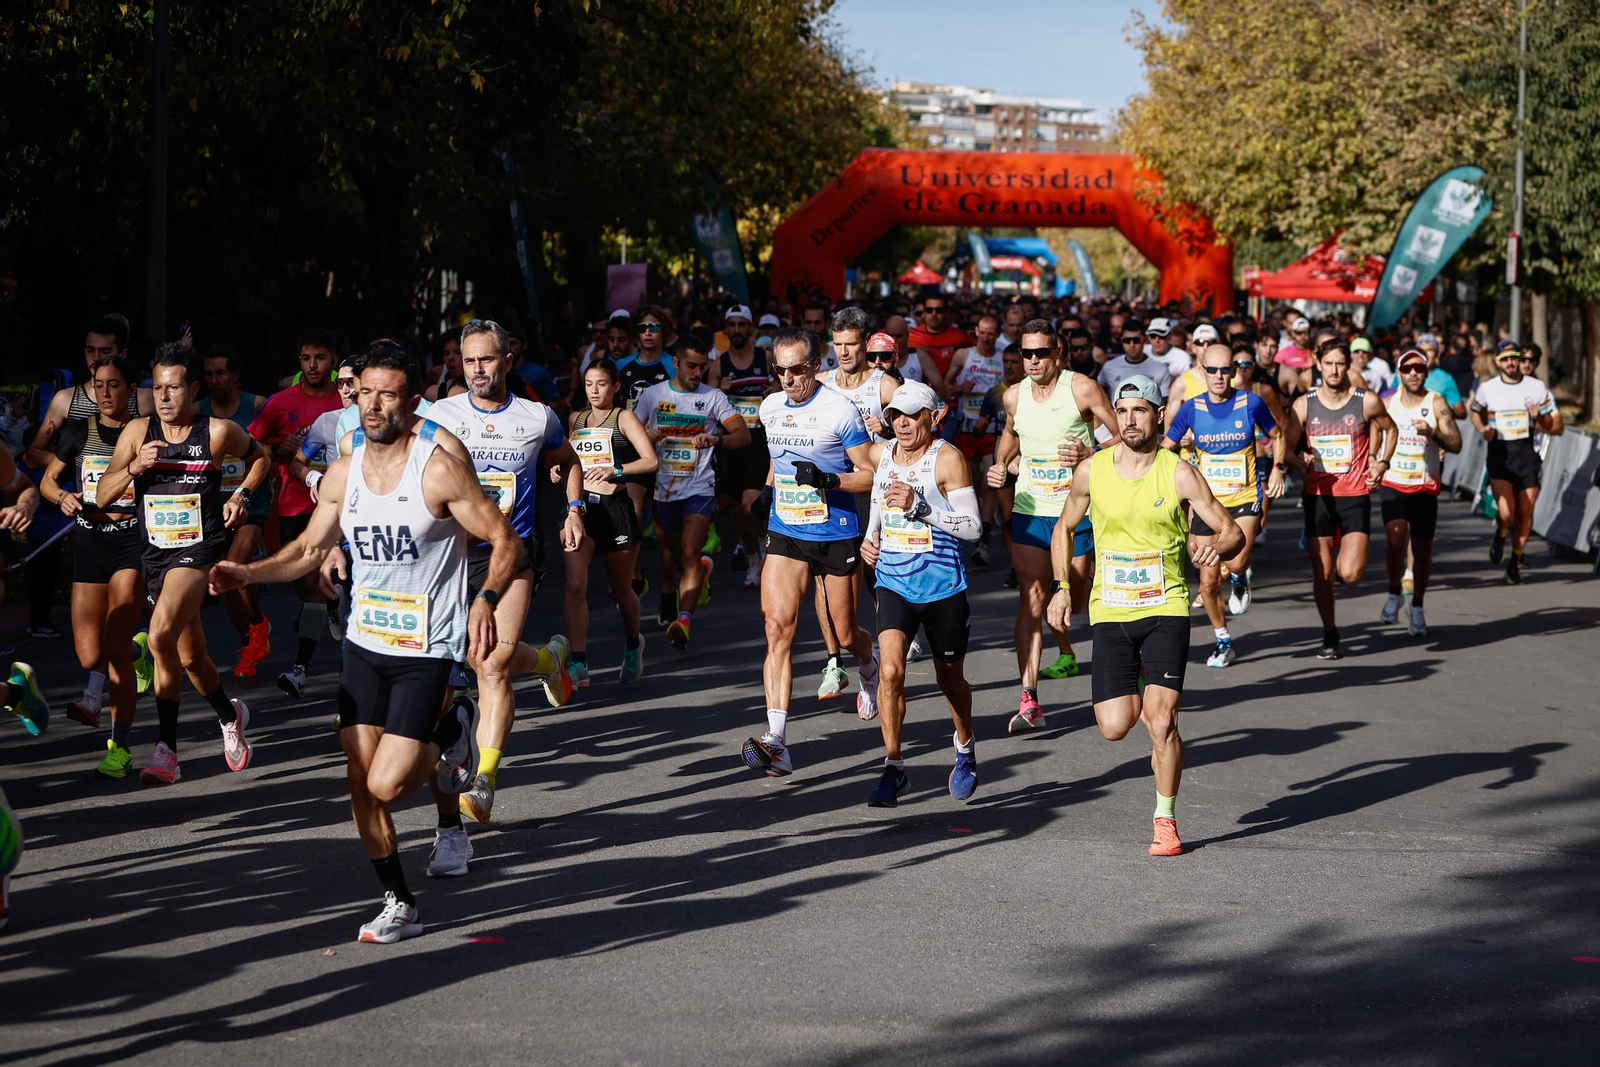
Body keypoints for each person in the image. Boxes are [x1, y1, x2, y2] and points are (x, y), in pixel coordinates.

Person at [211, 346, 514, 943]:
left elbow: (504, 540)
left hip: (425, 646)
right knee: (359, 777)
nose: (373, 405)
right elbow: (305, 550)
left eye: (388, 395)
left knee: (387, 784)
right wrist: (247, 574)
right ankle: (399, 901)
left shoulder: (438, 469)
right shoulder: (345, 473)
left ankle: (452, 731)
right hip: (364, 644)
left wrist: (485, 598)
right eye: (366, 393)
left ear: (409, 402)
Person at [1047, 374, 1244, 857]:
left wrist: (1217, 547)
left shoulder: (1178, 472)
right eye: (1124, 410)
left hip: (1165, 606)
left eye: (1141, 410)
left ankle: (1165, 819)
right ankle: (1137, 680)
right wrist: (1059, 587)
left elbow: (1232, 531)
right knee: (1116, 727)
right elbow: (1063, 527)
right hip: (1111, 610)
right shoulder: (1092, 471)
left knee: (1161, 723)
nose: (1131, 419)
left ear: (1158, 416)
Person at [96, 344, 272, 784]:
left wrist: (241, 495)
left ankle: (166, 751)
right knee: (191, 658)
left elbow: (260, 458)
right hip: (155, 555)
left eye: (174, 387)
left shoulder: (217, 432)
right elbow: (101, 496)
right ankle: (230, 715)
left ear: (193, 389)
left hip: (199, 552)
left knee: (157, 635)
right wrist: (135, 467)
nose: (165, 397)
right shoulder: (137, 432)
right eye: (157, 388)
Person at [428, 322, 580, 829]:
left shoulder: (537, 418)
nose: (476, 370)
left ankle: (484, 782)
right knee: (466, 662)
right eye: (468, 361)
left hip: (512, 553)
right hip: (451, 554)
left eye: (486, 360)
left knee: (489, 663)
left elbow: (567, 458)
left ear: (507, 360)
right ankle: (545, 661)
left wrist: (574, 509)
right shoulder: (438, 414)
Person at [741, 328, 880, 776]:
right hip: (786, 529)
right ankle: (777, 740)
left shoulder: (839, 410)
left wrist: (828, 480)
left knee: (843, 636)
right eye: (778, 370)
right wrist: (766, 490)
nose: (787, 378)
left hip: (835, 530)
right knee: (776, 627)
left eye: (796, 369)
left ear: (814, 366)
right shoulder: (769, 407)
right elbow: (777, 458)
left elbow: (869, 474)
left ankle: (868, 663)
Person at [858, 382, 982, 806]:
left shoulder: (948, 459)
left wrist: (921, 507)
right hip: (893, 581)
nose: (902, 423)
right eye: (895, 415)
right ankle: (894, 767)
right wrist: (870, 538)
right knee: (890, 671)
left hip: (943, 587)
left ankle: (964, 748)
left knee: (950, 680)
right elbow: (879, 499)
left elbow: (974, 529)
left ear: (934, 416)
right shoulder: (884, 454)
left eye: (912, 415)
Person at [986, 322, 1114, 731]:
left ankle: (1085, 584)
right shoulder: (1013, 396)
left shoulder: (1082, 389)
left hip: (1074, 512)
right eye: (1027, 354)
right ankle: (1029, 698)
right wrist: (1000, 465)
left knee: (1074, 602)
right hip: (1029, 509)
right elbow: (1009, 437)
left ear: (1058, 352)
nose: (1034, 361)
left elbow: (1124, 434)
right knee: (1033, 597)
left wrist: (1088, 450)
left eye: (1041, 352)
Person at [39, 358, 148, 776]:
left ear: (129, 389)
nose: (104, 393)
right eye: (98, 385)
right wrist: (60, 497)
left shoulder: (145, 432)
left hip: (129, 542)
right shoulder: (78, 431)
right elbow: (49, 480)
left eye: (113, 385)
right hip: (88, 542)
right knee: (89, 655)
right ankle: (144, 649)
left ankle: (118, 748)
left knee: (114, 645)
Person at [1162, 344, 1285, 667]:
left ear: (1234, 371)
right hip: (1207, 505)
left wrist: (1278, 468)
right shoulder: (1191, 408)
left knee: (1235, 560)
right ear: (1201, 372)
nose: (1219, 376)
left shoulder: (1250, 403)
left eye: (1225, 370)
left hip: (1244, 497)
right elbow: (1166, 447)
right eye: (1212, 370)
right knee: (1206, 582)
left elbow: (1278, 434)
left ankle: (1240, 576)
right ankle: (1223, 639)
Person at [636, 331, 750, 646]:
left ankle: (683, 621)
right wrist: (649, 437)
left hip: (700, 487)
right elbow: (628, 437)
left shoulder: (714, 398)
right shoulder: (653, 396)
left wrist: (717, 439)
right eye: (690, 366)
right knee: (679, 554)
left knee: (688, 550)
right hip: (663, 490)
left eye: (701, 366)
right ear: (675, 362)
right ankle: (700, 571)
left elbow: (744, 436)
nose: (696, 373)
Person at [248, 328, 344, 701]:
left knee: (317, 585)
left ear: (333, 360)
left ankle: (302, 667)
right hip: (293, 503)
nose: (313, 365)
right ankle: (331, 605)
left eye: (320, 357)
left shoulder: (347, 397)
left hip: (334, 508)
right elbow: (251, 444)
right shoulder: (281, 401)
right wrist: (277, 445)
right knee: (305, 587)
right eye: (306, 358)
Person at [1290, 339, 1397, 659]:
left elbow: (1391, 429)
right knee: (1320, 574)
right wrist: (1300, 460)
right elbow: (1285, 446)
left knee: (1349, 573)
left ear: (1348, 365)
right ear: (1317, 364)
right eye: (1329, 363)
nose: (1335, 370)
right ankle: (1330, 633)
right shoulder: (1304, 404)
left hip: (1355, 495)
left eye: (1341, 364)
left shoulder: (1366, 401)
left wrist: (1381, 462)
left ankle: (1336, 582)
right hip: (1318, 497)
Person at [563, 358, 657, 685]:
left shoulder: (624, 418)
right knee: (575, 583)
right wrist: (558, 469)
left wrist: (617, 470)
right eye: (589, 384)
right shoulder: (577, 419)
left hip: (615, 509)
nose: (594, 390)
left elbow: (650, 460)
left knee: (621, 590)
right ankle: (578, 662)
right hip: (582, 511)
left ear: (615, 387)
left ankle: (634, 644)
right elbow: (569, 459)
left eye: (601, 384)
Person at [199, 346, 274, 677]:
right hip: (214, 509)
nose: (215, 380)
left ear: (235, 375)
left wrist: (275, 447)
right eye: (209, 374)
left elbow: (273, 441)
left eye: (221, 373)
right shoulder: (197, 410)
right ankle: (251, 636)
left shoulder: (256, 405)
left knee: (235, 564)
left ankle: (257, 623)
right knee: (225, 582)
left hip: (251, 501)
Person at [1380, 350, 1462, 634]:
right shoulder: (1388, 403)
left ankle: (1416, 604)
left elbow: (1456, 443)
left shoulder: (1436, 402)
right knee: (1395, 540)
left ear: (1426, 373)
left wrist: (1433, 433)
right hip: (1393, 481)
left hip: (1425, 485)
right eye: (1407, 368)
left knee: (1423, 549)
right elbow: (1370, 436)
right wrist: (1371, 464)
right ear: (1399, 373)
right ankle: (1393, 592)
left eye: (1419, 368)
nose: (1413, 373)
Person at [1469, 341, 1562, 584]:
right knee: (1506, 512)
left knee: (1525, 513)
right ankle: (1500, 535)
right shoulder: (1488, 388)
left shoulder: (1536, 387)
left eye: (1515, 358)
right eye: (1506, 358)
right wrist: (1482, 429)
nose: (1511, 362)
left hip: (1528, 457)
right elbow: (1474, 410)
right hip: (1500, 455)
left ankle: (1514, 563)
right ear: (1498, 361)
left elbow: (1553, 425)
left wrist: (1538, 416)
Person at [23, 316, 152, 471]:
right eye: (90, 350)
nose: (96, 358)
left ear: (122, 354)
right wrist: (78, 460)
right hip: (81, 491)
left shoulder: (144, 399)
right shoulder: (66, 400)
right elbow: (32, 456)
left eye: (105, 351)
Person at [711, 306, 774, 588]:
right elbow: (709, 407)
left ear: (751, 328)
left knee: (751, 505)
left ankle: (764, 544)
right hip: (732, 444)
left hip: (760, 441)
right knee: (736, 509)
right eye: (731, 325)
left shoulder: (766, 357)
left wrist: (775, 389)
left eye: (741, 325)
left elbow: (785, 387)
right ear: (726, 329)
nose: (736, 330)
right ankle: (753, 559)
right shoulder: (718, 364)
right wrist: (720, 391)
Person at [1100, 318, 1173, 402]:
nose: (1131, 345)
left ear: (1144, 340)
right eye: (1127, 340)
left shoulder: (1161, 369)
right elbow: (1099, 393)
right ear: (1121, 341)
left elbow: (1164, 402)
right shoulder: (1109, 366)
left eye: (1136, 340)